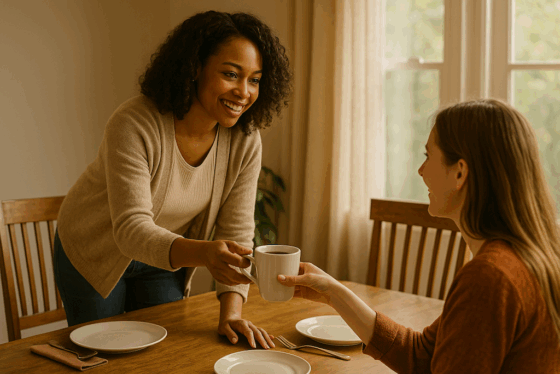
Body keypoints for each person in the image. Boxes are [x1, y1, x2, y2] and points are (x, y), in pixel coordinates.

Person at [53, 10, 292, 350]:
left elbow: (236, 233)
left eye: (254, 79)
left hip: (165, 255)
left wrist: (231, 314)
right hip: (95, 248)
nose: (243, 92)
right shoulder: (134, 123)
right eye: (230, 74)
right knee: (102, 356)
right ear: (195, 68)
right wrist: (204, 253)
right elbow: (131, 228)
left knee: (164, 353)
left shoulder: (245, 140)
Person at [278, 99, 560, 372]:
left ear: (459, 172)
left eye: (428, 156)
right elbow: (424, 356)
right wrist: (334, 294)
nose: (421, 170)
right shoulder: (533, 256)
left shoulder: (491, 277)